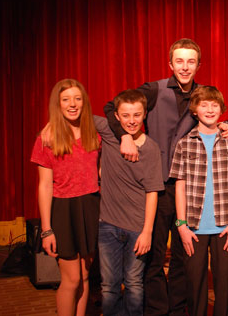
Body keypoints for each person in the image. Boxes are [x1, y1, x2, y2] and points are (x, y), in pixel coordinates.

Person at [103, 38, 228, 316]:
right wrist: (124, 136)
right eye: (179, 61)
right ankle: (157, 310)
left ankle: (178, 309)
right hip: (158, 188)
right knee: (152, 256)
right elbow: (111, 108)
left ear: (199, 65)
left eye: (191, 61)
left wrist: (225, 125)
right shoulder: (154, 90)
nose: (185, 67)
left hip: (189, 190)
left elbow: (213, 118)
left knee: (183, 256)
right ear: (170, 64)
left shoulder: (203, 95)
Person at [171, 86, 228, 316]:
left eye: (214, 105)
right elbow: (179, 185)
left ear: (221, 109)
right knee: (196, 288)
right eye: (204, 105)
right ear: (194, 109)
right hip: (194, 227)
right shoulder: (185, 143)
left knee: (224, 287)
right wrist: (181, 225)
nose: (210, 110)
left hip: (225, 226)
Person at [31, 79, 101, 316]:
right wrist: (47, 229)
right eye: (66, 99)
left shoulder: (94, 133)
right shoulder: (47, 138)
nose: (72, 104)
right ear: (57, 104)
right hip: (63, 210)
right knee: (70, 279)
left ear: (84, 102)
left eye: (77, 98)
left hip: (90, 206)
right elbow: (44, 186)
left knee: (84, 275)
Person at [95, 89, 164, 315]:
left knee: (134, 284)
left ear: (144, 114)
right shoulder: (108, 132)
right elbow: (77, 114)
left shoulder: (152, 149)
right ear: (116, 116)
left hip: (137, 228)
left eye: (137, 115)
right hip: (107, 226)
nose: (131, 121)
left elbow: (152, 192)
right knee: (109, 287)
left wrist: (147, 232)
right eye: (125, 115)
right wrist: (49, 127)